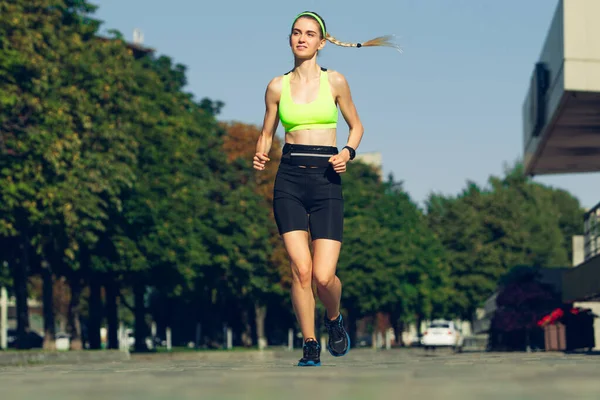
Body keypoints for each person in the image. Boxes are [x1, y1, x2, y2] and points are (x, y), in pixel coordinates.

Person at [253, 11, 399, 367]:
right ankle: (310, 344)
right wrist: (260, 151)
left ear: (322, 42)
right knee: (300, 270)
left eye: (309, 34)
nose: (302, 38)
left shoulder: (335, 81)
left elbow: (357, 126)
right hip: (288, 179)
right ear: (290, 39)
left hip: (326, 180)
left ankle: (333, 318)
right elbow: (267, 132)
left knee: (323, 276)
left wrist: (347, 152)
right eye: (296, 33)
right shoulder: (276, 86)